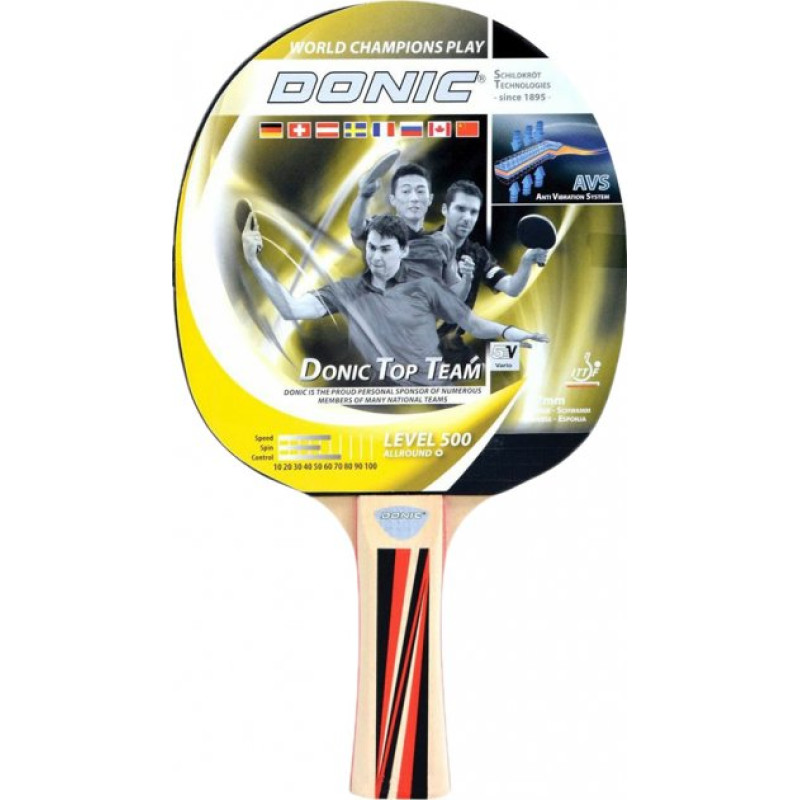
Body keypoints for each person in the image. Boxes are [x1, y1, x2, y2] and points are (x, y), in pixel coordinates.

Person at [242, 213, 549, 386]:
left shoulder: (426, 288)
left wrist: (511, 333)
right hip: (379, 405)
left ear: (404, 250)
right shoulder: (347, 291)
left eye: (386, 249)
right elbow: (290, 309)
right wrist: (254, 263)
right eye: (372, 248)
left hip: (435, 398)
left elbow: (473, 324)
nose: (376, 257)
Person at [436, 179, 550, 363]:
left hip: (450, 347)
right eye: (460, 209)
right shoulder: (420, 249)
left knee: (507, 361)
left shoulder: (478, 255)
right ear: (445, 210)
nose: (467, 217)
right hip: (410, 347)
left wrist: (526, 261)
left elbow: (512, 288)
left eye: (473, 212)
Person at [348, 162, 465, 293]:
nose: (414, 198)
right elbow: (356, 227)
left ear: (430, 199)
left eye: (420, 191)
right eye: (406, 191)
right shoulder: (379, 230)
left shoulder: (442, 244)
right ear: (393, 199)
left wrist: (467, 278)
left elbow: (455, 292)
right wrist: (363, 196)